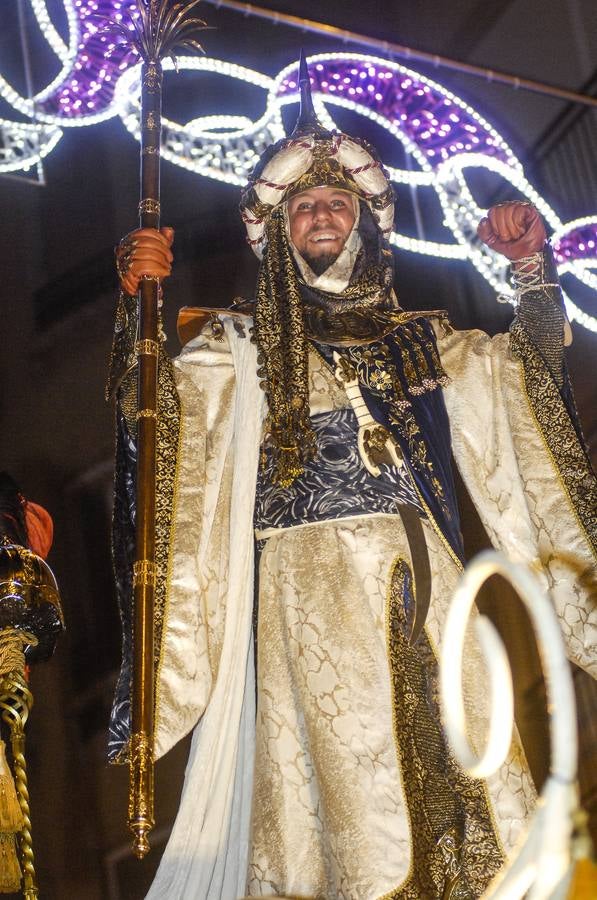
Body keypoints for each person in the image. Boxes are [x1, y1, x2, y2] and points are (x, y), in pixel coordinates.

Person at [107, 63, 597, 899]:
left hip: (429, 578)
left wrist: (531, 276)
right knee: (352, 800)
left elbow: (526, 384)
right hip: (307, 589)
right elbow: (155, 427)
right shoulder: (234, 349)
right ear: (279, 234)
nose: (322, 216)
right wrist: (137, 312)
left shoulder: (424, 339)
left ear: (367, 224)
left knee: (474, 769)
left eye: (337, 205)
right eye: (304, 208)